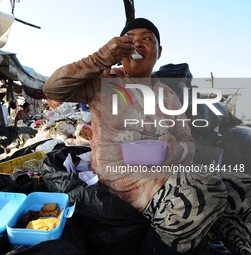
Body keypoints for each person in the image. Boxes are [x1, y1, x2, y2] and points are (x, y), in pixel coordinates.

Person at [43, 18, 251, 254]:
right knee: (205, 191)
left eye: (147, 39)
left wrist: (177, 149)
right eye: (130, 40)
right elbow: (52, 89)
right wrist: (101, 57)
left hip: (167, 174)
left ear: (159, 51)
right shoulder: (104, 81)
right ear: (120, 49)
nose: (138, 44)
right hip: (120, 182)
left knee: (245, 185)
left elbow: (187, 141)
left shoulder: (169, 95)